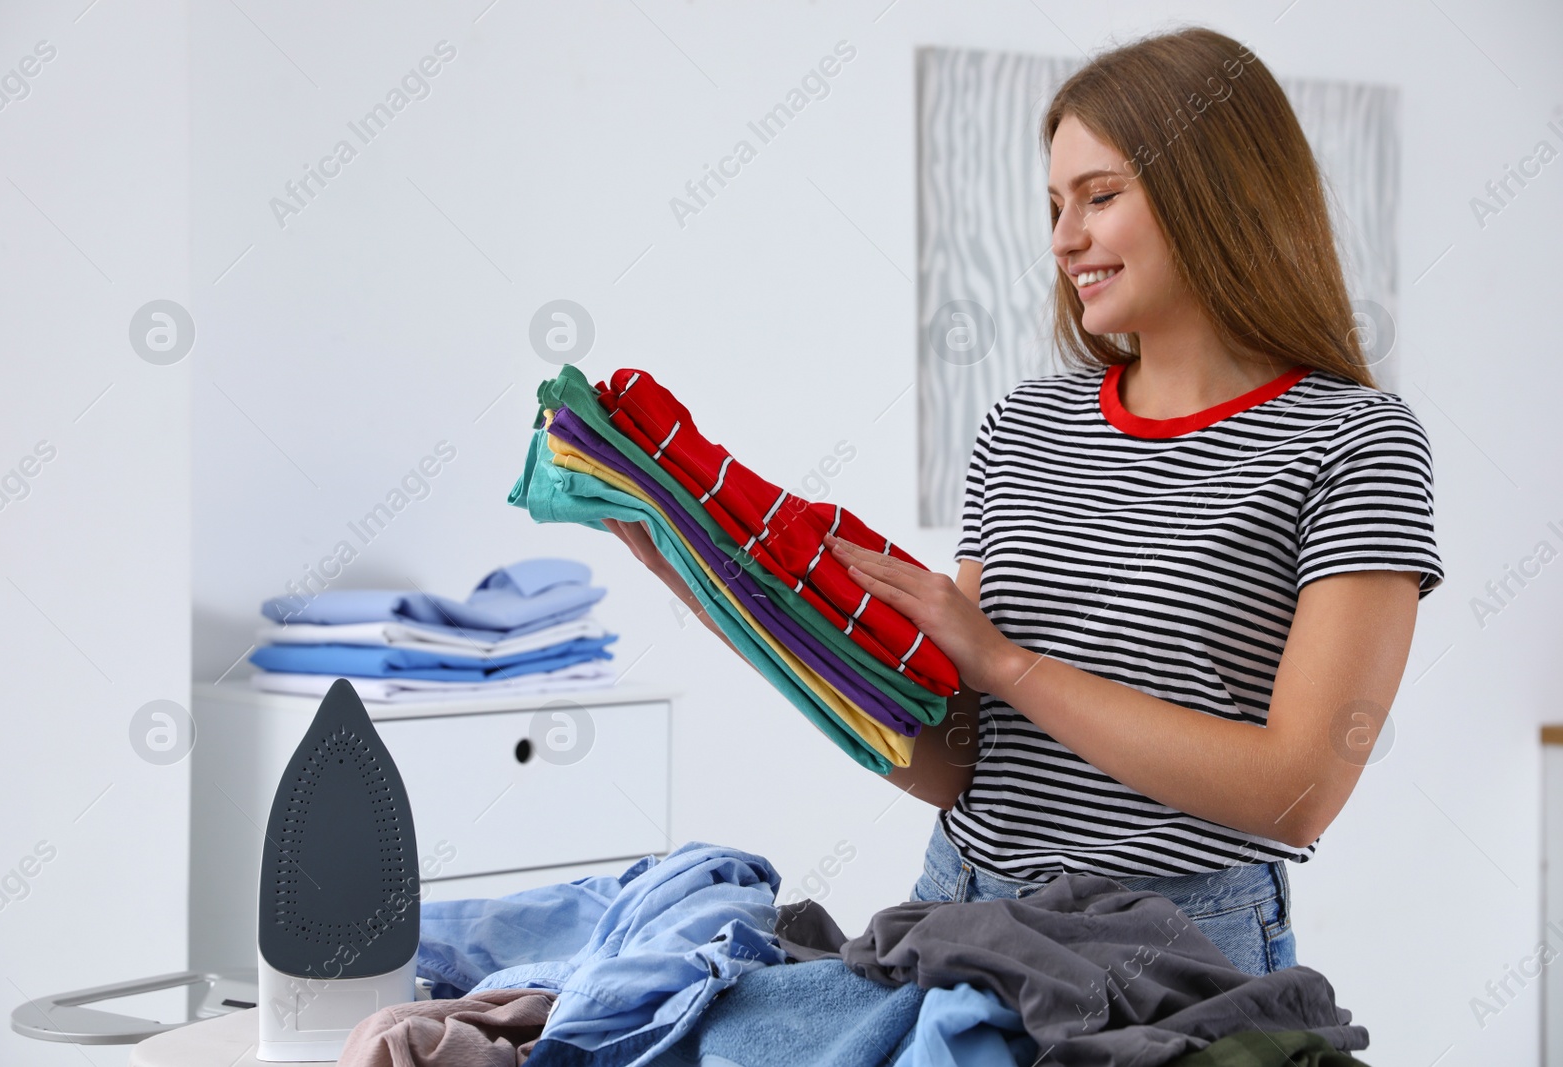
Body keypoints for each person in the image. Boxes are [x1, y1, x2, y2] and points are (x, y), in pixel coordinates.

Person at [604, 25, 1442, 978]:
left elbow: (1297, 791)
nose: (1063, 238)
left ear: (1216, 193)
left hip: (1167, 958)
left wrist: (1006, 662)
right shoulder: (1024, 425)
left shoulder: (1354, 440)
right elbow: (960, 761)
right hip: (956, 908)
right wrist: (715, 583)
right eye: (1055, 203)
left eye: (1100, 195)